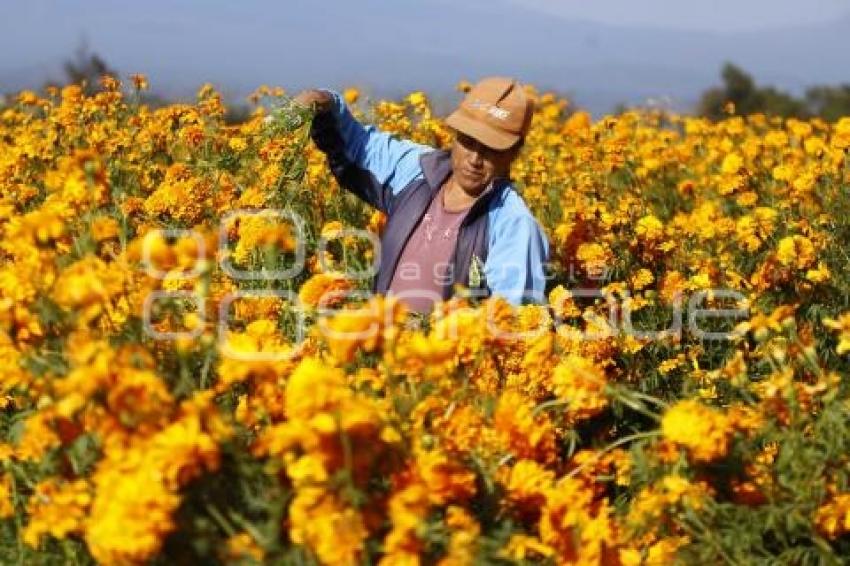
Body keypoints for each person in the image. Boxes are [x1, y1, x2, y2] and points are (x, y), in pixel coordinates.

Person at [293, 76, 549, 314]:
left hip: (446, 358)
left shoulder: (514, 225)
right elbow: (360, 146)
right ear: (455, 135)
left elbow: (511, 322)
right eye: (468, 141)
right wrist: (324, 103)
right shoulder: (418, 170)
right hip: (380, 347)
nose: (474, 159)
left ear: (514, 153)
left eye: (490, 150)